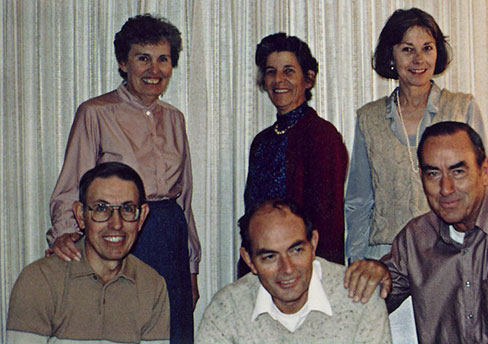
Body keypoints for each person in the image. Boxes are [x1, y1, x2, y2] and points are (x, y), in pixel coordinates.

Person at [46, 14, 199, 343]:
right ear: (122, 63)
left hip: (169, 235)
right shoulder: (96, 113)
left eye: (163, 59)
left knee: (173, 332)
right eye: (143, 58)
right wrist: (66, 235)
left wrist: (191, 266)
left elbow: (184, 200)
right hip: (118, 231)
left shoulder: (175, 119)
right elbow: (72, 186)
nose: (153, 70)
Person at [345, 8, 487, 263]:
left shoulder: (461, 108)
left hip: (450, 255)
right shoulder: (369, 118)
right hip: (384, 259)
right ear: (391, 54)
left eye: (427, 48)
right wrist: (356, 263)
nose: (419, 59)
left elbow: (479, 190)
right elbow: (358, 203)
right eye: (408, 49)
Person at [345, 122, 488, 343]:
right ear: (421, 177)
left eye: (458, 172)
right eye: (434, 174)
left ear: (484, 172)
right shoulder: (416, 238)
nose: (446, 189)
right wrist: (372, 272)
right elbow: (369, 299)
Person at [7, 162, 170, 343]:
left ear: (141, 217)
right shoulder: (40, 281)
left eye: (127, 209)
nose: (116, 224)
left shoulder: (152, 286)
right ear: (80, 215)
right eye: (101, 208)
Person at [197, 199, 391, 343]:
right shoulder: (227, 309)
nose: (287, 269)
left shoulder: (359, 297)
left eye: (296, 250)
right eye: (270, 257)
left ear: (313, 244)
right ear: (249, 259)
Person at [243, 33, 348, 274]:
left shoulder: (322, 135)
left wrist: (323, 277)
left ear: (308, 79)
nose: (278, 80)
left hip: (302, 270)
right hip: (261, 267)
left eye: (288, 71)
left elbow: (328, 221)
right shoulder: (262, 141)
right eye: (271, 71)